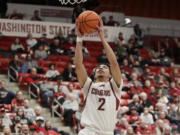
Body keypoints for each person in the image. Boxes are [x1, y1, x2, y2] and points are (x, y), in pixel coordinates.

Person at [75, 18, 123, 135]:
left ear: (110, 74)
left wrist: (102, 38)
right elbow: (78, 64)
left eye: (104, 67)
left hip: (107, 132)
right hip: (89, 131)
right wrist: (79, 39)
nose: (101, 68)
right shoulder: (88, 86)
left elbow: (114, 63)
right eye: (98, 68)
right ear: (94, 73)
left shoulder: (115, 86)